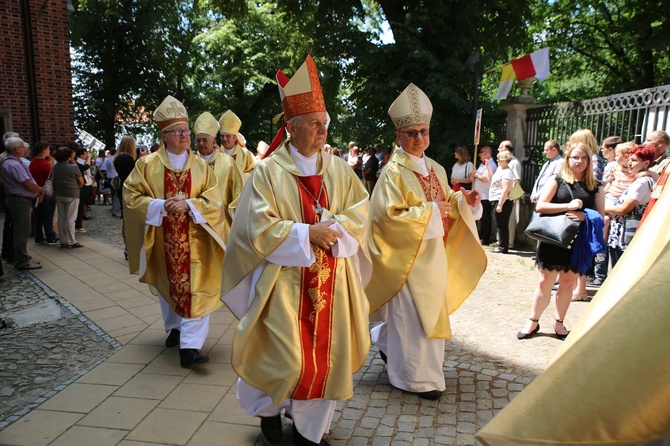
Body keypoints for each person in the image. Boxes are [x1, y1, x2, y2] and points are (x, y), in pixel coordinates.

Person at [221, 55, 371, 446]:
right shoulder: (268, 172)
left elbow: (360, 211)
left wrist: (334, 229)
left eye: (325, 124)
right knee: (282, 357)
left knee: (327, 359)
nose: (322, 131)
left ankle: (310, 431)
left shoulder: (339, 169)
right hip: (282, 286)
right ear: (292, 128)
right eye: (314, 124)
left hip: (332, 285)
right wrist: (307, 234)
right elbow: (256, 227)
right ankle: (269, 411)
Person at [366, 83, 485, 402]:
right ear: (398, 137)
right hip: (409, 259)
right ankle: (414, 378)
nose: (419, 138)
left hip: (436, 257)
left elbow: (447, 202)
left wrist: (465, 201)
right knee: (412, 319)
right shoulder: (392, 173)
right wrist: (431, 212)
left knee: (431, 315)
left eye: (423, 131)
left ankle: (391, 346)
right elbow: (385, 218)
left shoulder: (436, 168)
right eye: (412, 132)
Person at [123, 95, 226, 368]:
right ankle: (177, 328)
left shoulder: (202, 167)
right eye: (178, 131)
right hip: (161, 238)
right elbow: (131, 196)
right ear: (164, 135)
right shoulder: (146, 165)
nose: (185, 136)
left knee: (198, 290)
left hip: (197, 242)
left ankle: (190, 348)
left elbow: (215, 200)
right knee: (167, 286)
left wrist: (190, 204)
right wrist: (160, 206)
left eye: (186, 131)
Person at [517, 142, 604, 340]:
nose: (579, 161)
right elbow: (541, 206)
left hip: (577, 242)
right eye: (575, 157)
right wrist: (568, 206)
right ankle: (533, 321)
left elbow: (600, 215)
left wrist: (584, 216)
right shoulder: (557, 180)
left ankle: (559, 323)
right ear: (568, 159)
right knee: (545, 281)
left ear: (589, 161)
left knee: (568, 282)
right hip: (554, 239)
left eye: (583, 157)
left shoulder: (596, 186)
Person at [193, 111, 242, 242]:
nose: (201, 143)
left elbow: (238, 193)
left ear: (213, 141)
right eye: (198, 140)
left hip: (222, 222)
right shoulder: (191, 162)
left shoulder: (228, 162)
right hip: (195, 223)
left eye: (204, 140)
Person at [605, 144, 657, 267]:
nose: (629, 163)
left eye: (634, 160)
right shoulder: (647, 179)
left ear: (646, 163)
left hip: (625, 237)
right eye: (629, 159)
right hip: (624, 236)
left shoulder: (642, 183)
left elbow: (623, 209)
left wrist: (599, 207)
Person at [1, 137, 45, 269]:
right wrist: (41, 190)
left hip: (18, 199)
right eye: (22, 147)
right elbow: (28, 184)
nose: (25, 149)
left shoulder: (13, 162)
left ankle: (22, 256)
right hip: (19, 201)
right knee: (22, 231)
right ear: (16, 150)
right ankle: (22, 260)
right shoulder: (13, 164)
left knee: (20, 230)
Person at [590, 136, 622, 286]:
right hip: (607, 206)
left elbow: (606, 186)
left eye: (603, 148)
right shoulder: (611, 165)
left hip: (610, 210)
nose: (602, 150)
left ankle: (600, 274)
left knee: (601, 243)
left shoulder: (614, 166)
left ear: (611, 149)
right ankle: (598, 273)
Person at [52, 146, 84, 249]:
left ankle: (63, 240)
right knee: (71, 218)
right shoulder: (73, 167)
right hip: (72, 194)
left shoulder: (55, 167)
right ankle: (72, 241)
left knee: (61, 217)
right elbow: (81, 182)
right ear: (69, 156)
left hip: (59, 193)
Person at [29, 141, 59, 246]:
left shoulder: (31, 163)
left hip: (35, 192)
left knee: (38, 216)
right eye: (48, 149)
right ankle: (50, 237)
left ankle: (39, 237)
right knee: (48, 216)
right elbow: (52, 178)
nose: (49, 151)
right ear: (43, 150)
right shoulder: (46, 165)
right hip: (45, 192)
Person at [113, 136, 137, 259]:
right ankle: (130, 248)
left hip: (122, 187)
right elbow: (133, 175)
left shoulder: (117, 158)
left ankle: (128, 247)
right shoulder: (127, 158)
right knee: (129, 219)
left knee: (125, 218)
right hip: (129, 189)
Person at [488, 151, 516, 254]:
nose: (497, 160)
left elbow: (506, 189)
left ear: (504, 160)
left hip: (503, 201)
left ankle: (503, 247)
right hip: (497, 199)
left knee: (502, 224)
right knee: (500, 224)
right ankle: (501, 245)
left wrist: (500, 204)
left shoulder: (507, 172)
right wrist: (488, 168)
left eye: (499, 158)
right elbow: (493, 181)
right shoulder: (500, 169)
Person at [218, 110, 256, 179]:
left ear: (235, 138)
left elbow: (254, 172)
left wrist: (239, 178)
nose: (224, 139)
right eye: (222, 136)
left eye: (228, 136)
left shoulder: (246, 154)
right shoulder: (216, 154)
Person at [473, 145, 496, 245]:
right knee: (478, 216)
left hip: (485, 195)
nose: (479, 154)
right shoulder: (482, 164)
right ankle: (478, 236)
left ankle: (485, 238)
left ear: (486, 153)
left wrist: (476, 174)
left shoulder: (491, 165)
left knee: (485, 218)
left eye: (481, 152)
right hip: (479, 194)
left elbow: (487, 179)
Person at [74, 147, 94, 232]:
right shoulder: (78, 163)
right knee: (79, 205)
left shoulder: (78, 162)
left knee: (83, 203)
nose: (86, 155)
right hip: (80, 185)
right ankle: (78, 225)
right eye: (85, 154)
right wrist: (89, 158)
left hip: (85, 184)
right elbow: (85, 167)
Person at [103, 148, 120, 216]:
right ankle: (115, 206)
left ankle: (113, 205)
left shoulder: (107, 159)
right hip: (114, 176)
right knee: (116, 192)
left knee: (112, 192)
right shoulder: (114, 159)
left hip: (109, 176)